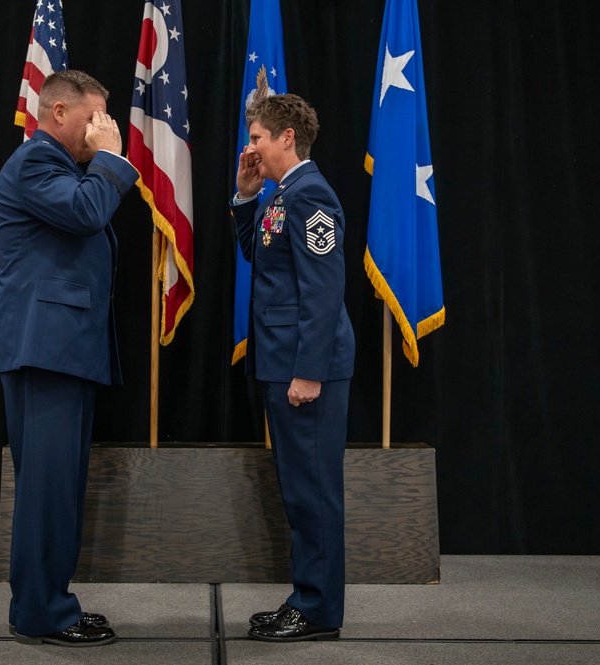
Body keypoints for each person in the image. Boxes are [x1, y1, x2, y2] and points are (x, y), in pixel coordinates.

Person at [0, 70, 139, 647]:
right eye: (95, 117)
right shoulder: (35, 163)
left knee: (58, 488)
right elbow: (85, 213)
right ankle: (44, 612)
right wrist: (112, 159)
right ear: (59, 114)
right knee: (47, 489)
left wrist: (99, 164)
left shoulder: (62, 167)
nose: (103, 128)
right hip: (43, 348)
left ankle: (51, 604)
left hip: (63, 348)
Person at [230, 93, 355, 642]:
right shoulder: (283, 195)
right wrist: (245, 195)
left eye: (257, 137)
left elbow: (324, 294)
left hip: (306, 370)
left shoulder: (313, 197)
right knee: (299, 488)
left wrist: (309, 372)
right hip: (283, 363)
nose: (250, 146)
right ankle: (307, 597)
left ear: (286, 137)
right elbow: (259, 254)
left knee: (314, 491)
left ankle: (320, 609)